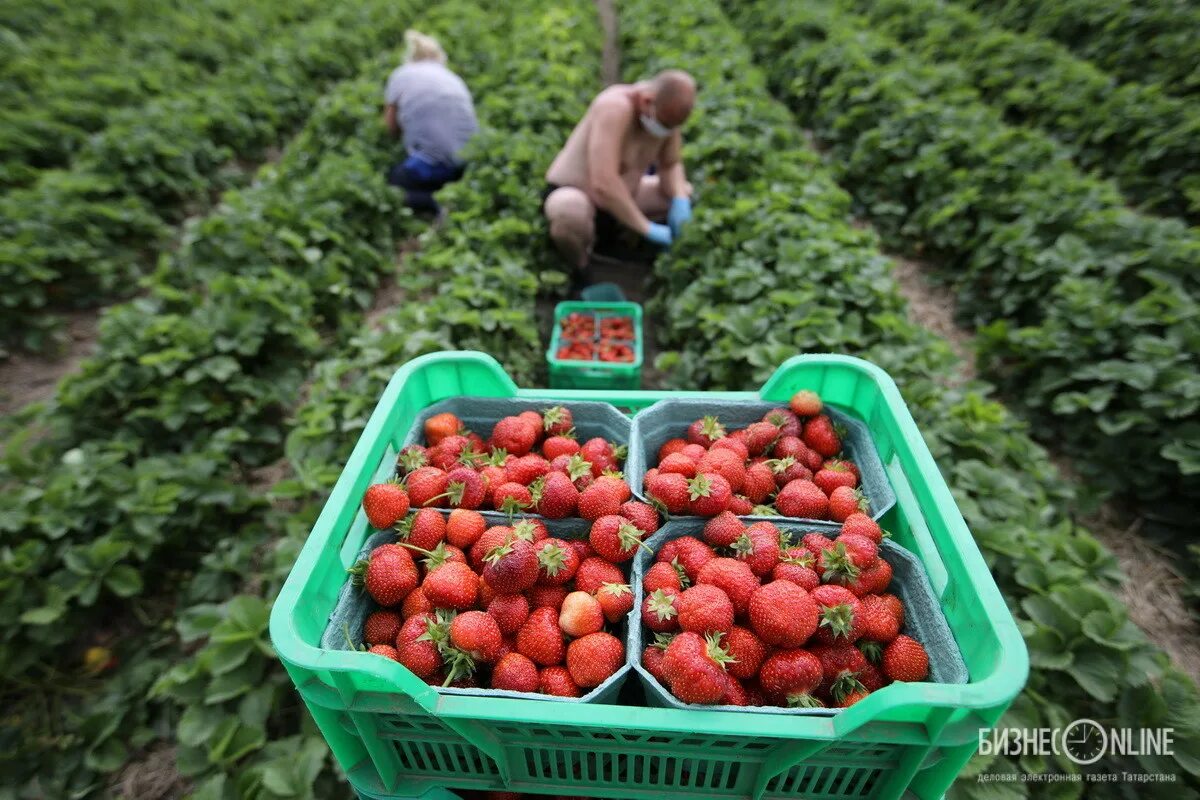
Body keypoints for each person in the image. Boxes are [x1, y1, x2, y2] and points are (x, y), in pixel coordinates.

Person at [542, 70, 696, 269]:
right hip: (582, 194)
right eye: (664, 124)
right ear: (647, 101)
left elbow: (671, 165)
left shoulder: (665, 117)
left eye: (671, 127)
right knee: (569, 211)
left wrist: (680, 200)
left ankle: (634, 249)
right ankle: (581, 267)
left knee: (685, 190)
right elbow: (603, 183)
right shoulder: (615, 107)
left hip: (622, 202)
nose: (666, 131)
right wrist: (646, 228)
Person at [383, 30, 478, 215]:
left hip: (432, 167)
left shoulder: (401, 74)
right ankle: (455, 195)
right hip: (468, 162)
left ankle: (434, 204)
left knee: (393, 188)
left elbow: (391, 127)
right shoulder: (452, 77)